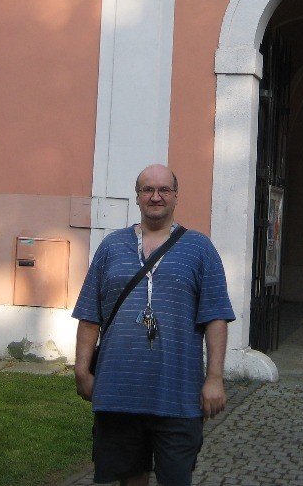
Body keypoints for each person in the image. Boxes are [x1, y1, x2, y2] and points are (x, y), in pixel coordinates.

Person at [73, 164, 236, 486]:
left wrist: (215, 378)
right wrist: (81, 370)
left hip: (177, 393)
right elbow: (89, 313)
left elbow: (216, 316)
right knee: (130, 478)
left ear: (176, 196)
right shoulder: (111, 247)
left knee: (175, 478)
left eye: (164, 190)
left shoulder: (199, 248)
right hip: (120, 390)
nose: (156, 197)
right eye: (148, 190)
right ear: (137, 197)